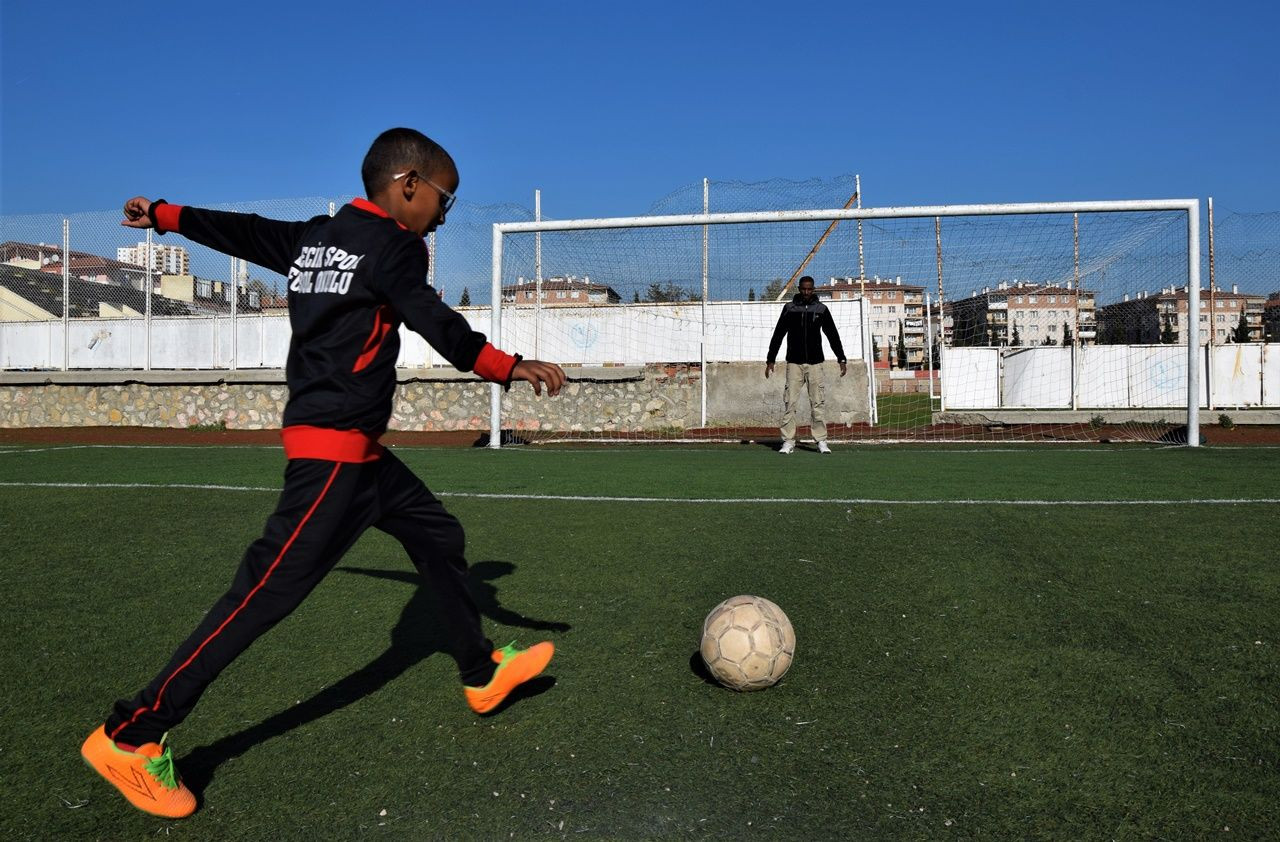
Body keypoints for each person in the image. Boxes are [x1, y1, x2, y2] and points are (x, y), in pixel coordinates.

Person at [80, 128, 567, 819]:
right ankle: (131, 734)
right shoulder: (396, 246)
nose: (443, 215)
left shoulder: (316, 238)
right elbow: (432, 318)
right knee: (260, 597)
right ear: (408, 185)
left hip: (362, 457)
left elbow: (244, 232)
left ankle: (481, 670)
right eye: (444, 199)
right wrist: (506, 365)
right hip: (335, 458)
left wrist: (164, 215)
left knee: (438, 535)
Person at [765, 275, 847, 453]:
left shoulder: (821, 309)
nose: (806, 292)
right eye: (803, 289)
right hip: (794, 363)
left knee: (817, 403)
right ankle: (788, 441)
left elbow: (832, 335)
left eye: (809, 289)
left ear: (813, 289)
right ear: (799, 289)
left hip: (815, 364)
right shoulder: (789, 308)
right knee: (790, 403)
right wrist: (770, 359)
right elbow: (778, 334)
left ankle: (821, 441)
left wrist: (841, 358)